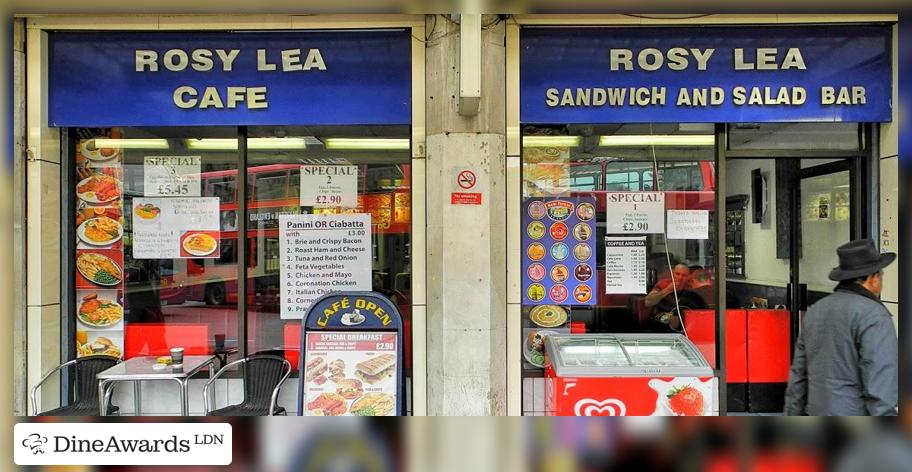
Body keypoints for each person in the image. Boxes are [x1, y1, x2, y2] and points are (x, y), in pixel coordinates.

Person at [784, 239, 898, 416]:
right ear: (873, 278)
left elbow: (798, 376)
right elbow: (880, 384)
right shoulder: (874, 315)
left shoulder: (816, 310)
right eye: (881, 275)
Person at [643, 263, 697, 332]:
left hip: (687, 325)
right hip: (662, 322)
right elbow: (647, 302)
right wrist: (667, 290)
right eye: (677, 274)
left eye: (684, 275)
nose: (680, 277)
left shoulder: (692, 287)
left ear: (689, 276)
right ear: (672, 273)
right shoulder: (663, 284)